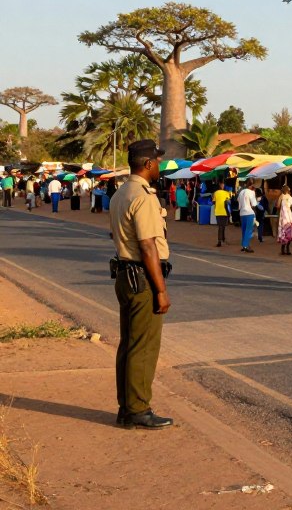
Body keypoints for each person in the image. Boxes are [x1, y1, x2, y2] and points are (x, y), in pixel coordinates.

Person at [109, 139, 173, 429]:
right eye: (157, 161)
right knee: (144, 346)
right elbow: (148, 247)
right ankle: (138, 409)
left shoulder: (121, 192)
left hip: (124, 274)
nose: (159, 166)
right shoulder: (144, 197)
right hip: (142, 278)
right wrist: (160, 290)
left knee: (129, 344)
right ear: (148, 164)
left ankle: (126, 407)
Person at [237, 179, 258, 253]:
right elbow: (254, 204)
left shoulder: (241, 192)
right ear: (251, 185)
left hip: (242, 213)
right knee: (249, 230)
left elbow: (239, 205)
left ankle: (244, 246)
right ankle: (245, 245)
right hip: (249, 213)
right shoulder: (251, 192)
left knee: (244, 230)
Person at [275, 185, 292, 255]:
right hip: (289, 216)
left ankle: (283, 249)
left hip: (283, 216)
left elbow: (277, 206)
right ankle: (288, 249)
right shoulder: (290, 197)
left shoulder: (281, 196)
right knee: (289, 231)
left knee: (283, 232)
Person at [212, 180, 231, 247]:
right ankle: (221, 239)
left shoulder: (215, 193)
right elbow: (228, 202)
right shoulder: (226, 193)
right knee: (222, 226)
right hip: (224, 212)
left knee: (221, 226)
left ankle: (221, 239)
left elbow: (213, 202)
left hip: (218, 211)